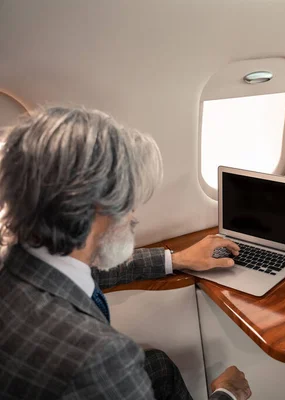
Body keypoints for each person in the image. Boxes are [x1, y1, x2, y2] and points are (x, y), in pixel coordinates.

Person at [0, 107, 252, 400]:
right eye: (128, 198)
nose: (133, 215)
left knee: (158, 364)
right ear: (95, 206)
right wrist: (226, 394)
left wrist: (177, 259)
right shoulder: (102, 358)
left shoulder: (18, 263)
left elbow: (92, 272)